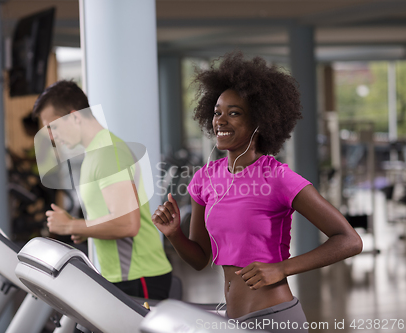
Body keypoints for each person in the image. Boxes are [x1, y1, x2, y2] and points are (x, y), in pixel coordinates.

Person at [152, 52, 362, 332]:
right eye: (217, 112)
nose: (221, 121)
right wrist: (174, 234)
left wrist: (281, 268)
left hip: (275, 317)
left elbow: (350, 240)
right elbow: (200, 259)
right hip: (233, 319)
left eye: (234, 113)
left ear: (259, 122)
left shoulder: (278, 178)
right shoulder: (204, 178)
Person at [32, 80, 172, 300]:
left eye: (53, 126)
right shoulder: (95, 153)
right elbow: (110, 217)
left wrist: (71, 224)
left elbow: (127, 223)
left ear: (75, 116)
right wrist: (80, 227)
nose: (51, 136)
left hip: (139, 276)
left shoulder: (108, 153)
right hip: (122, 276)